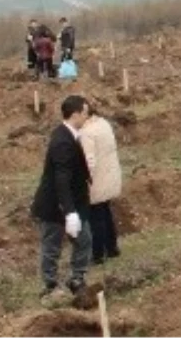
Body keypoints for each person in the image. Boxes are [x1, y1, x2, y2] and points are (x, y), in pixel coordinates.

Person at [30, 95, 93, 301]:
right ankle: (50, 285)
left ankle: (77, 279)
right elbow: (61, 179)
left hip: (72, 203)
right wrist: (70, 212)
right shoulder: (62, 141)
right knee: (52, 246)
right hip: (54, 206)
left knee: (84, 240)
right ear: (75, 114)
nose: (87, 116)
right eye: (85, 113)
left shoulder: (69, 135)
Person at [78, 107, 122, 265]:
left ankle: (97, 254)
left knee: (96, 216)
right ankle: (112, 248)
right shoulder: (104, 124)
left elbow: (89, 161)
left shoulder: (87, 133)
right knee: (105, 211)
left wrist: (81, 180)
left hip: (96, 180)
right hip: (109, 176)